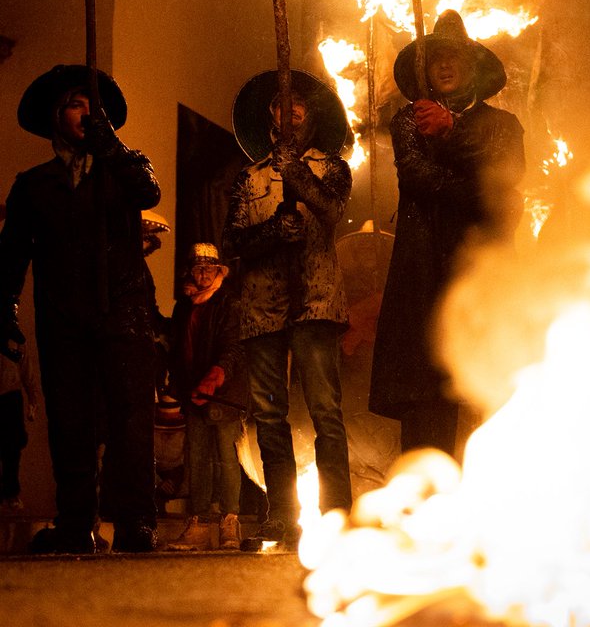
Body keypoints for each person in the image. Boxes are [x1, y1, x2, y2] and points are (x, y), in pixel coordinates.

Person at [0, 65, 162, 553]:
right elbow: (11, 254)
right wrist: (5, 308)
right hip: (64, 316)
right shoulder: (33, 185)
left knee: (131, 418)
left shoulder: (124, 169)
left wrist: (109, 145)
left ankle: (135, 520)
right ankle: (76, 523)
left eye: (94, 105)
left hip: (124, 312)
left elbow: (148, 192)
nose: (88, 112)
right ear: (55, 117)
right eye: (76, 103)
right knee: (70, 420)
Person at [370, 10, 525, 459]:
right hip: (424, 276)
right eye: (436, 57)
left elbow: (510, 173)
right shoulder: (409, 120)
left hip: (484, 273)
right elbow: (419, 178)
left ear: (473, 67)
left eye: (454, 56)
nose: (444, 64)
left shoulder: (503, 125)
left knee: (492, 392)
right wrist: (487, 194)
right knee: (427, 400)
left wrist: (453, 132)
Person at [221, 69, 353, 552]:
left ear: (312, 116)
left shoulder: (332, 168)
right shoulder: (249, 178)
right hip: (262, 309)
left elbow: (332, 212)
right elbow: (234, 242)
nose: (291, 109)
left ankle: (338, 514)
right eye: (281, 103)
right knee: (270, 417)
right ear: (271, 116)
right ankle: (281, 516)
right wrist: (274, 232)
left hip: (315, 304)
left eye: (299, 103)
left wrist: (298, 176)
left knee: (325, 412)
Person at [163, 242, 247, 551]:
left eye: (208, 269)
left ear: (218, 272)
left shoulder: (227, 303)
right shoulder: (184, 305)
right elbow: (178, 346)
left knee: (226, 457)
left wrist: (214, 379)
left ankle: (230, 522)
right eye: (198, 268)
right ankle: (198, 523)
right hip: (193, 394)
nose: (202, 274)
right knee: (196, 457)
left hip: (222, 396)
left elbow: (233, 346)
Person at [0, 336, 39, 509]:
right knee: (11, 448)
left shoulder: (16, 338)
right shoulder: (15, 338)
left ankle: (11, 493)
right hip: (10, 395)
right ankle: (9, 494)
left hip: (10, 396)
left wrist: (32, 399)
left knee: (12, 447)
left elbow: (26, 370)